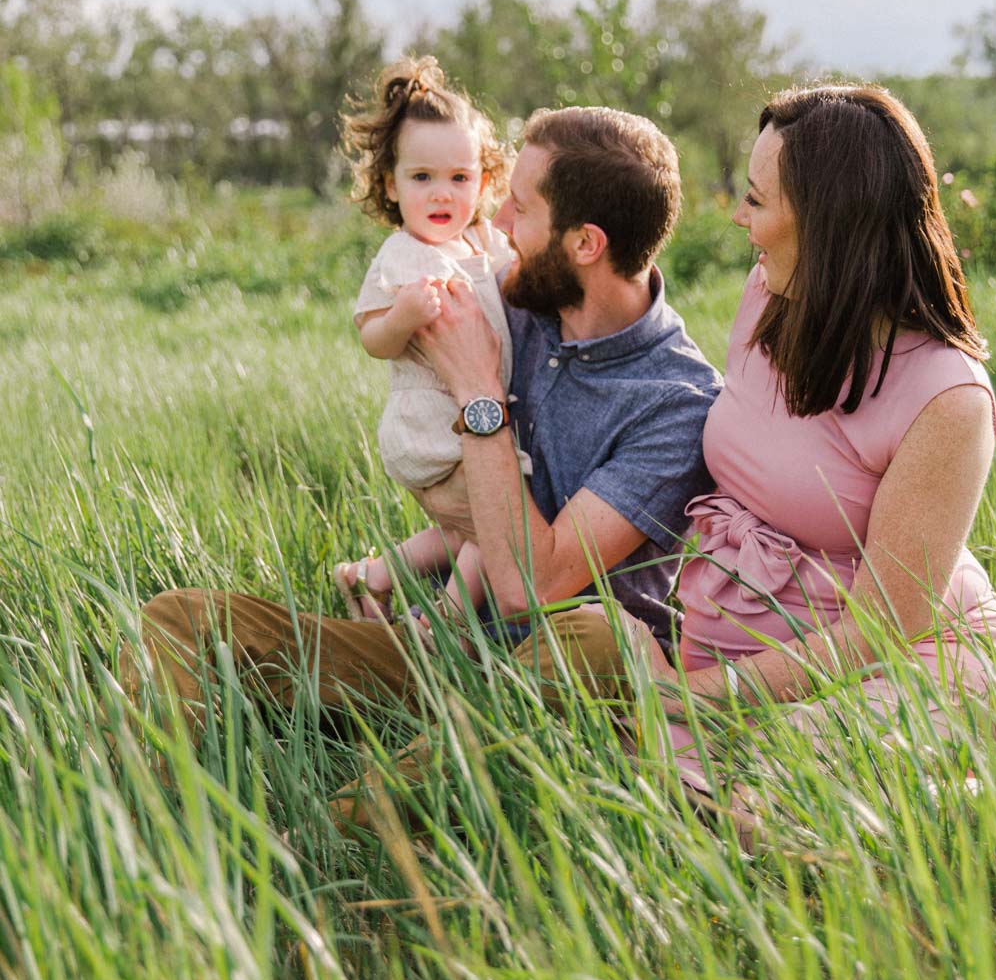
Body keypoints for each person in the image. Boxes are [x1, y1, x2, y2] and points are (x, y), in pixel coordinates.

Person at [124, 106, 723, 801]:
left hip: (558, 685)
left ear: (585, 243)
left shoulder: (677, 402)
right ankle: (148, 827)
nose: (495, 226)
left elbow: (531, 586)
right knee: (182, 620)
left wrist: (478, 393)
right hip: (443, 649)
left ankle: (333, 835)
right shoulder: (512, 303)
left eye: (520, 210)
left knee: (596, 636)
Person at [555, 83, 996, 800]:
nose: (740, 219)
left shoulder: (947, 398)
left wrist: (685, 696)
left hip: (908, 667)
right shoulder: (767, 297)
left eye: (756, 200)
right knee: (598, 768)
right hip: (743, 663)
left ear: (828, 223)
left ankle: (942, 805)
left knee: (750, 797)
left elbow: (882, 629)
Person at [331, 54, 515, 627]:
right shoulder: (403, 255)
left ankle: (373, 576)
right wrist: (404, 317)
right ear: (391, 184)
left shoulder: (481, 245)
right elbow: (372, 338)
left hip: (469, 424)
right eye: (422, 178)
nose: (442, 195)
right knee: (502, 524)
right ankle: (445, 628)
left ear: (483, 182)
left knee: (462, 530)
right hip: (432, 428)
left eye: (459, 178)